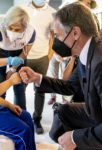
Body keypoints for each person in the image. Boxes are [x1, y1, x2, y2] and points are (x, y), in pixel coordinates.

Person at [19, 2, 102, 150]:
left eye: (57, 35)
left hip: (98, 119)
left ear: (75, 33)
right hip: (95, 111)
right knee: (63, 111)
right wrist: (38, 78)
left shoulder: (99, 62)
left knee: (72, 136)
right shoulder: (86, 52)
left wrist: (75, 138)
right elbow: (70, 86)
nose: (55, 41)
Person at [0, 6, 36, 110]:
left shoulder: (30, 32)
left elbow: (24, 53)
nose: (13, 31)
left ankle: (21, 116)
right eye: (10, 28)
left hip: (19, 54)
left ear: (25, 27)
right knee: (0, 89)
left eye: (17, 29)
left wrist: (13, 69)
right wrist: (10, 60)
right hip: (1, 54)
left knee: (19, 89)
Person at [21, 0, 56, 134]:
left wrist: (49, 55)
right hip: (25, 57)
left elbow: (53, 36)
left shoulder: (52, 13)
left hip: (42, 57)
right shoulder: (24, 9)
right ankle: (22, 118)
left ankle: (37, 120)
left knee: (40, 90)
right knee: (20, 89)